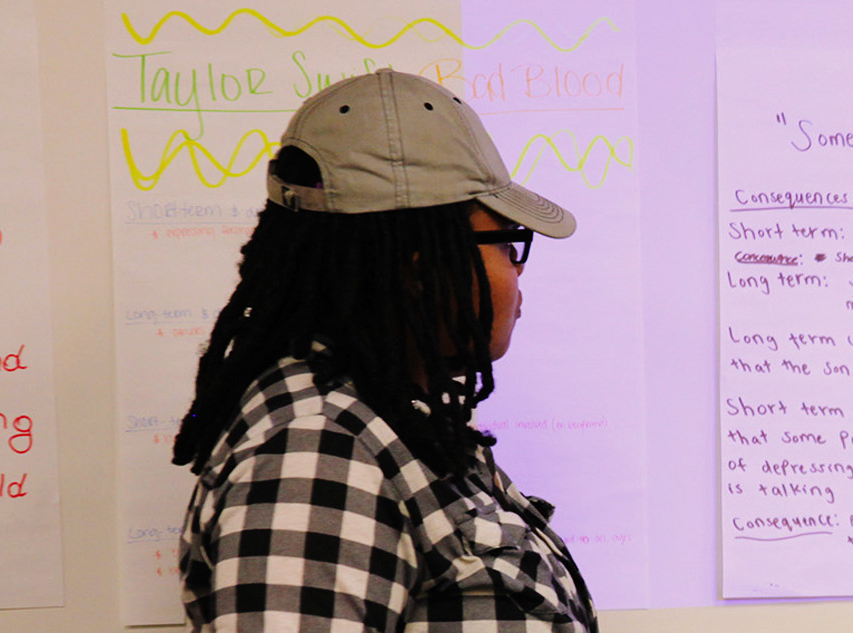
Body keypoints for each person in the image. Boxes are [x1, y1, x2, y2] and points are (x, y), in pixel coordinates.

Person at [170, 69, 595, 631]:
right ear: (426, 269)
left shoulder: (385, 420)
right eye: (508, 244)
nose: (518, 275)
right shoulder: (317, 454)